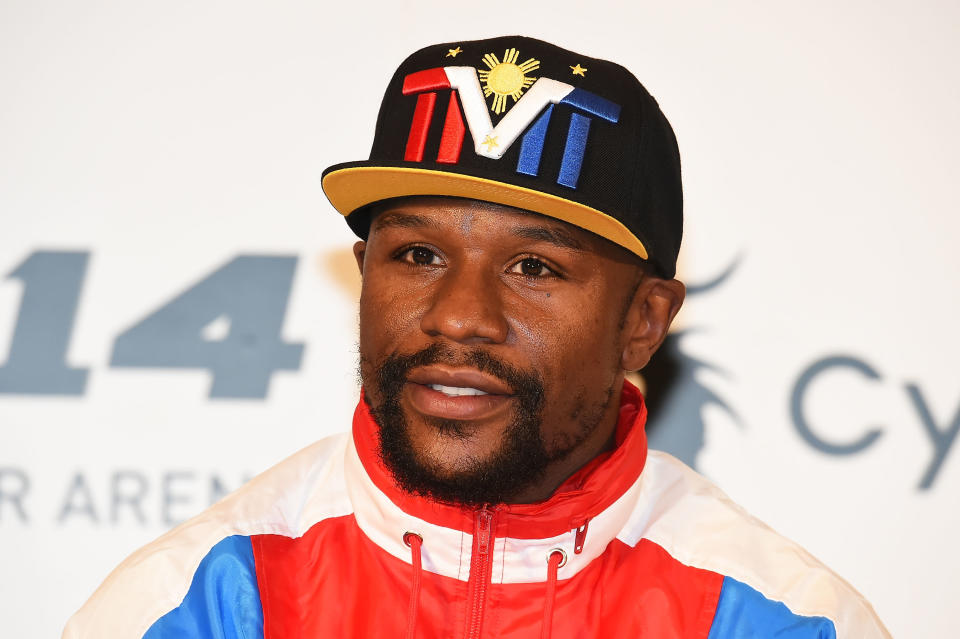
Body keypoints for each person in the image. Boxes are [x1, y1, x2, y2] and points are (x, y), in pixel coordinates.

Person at [63, 36, 890, 638]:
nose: (458, 315)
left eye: (534, 266)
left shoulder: (784, 620)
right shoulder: (197, 604)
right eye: (418, 254)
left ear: (642, 322)